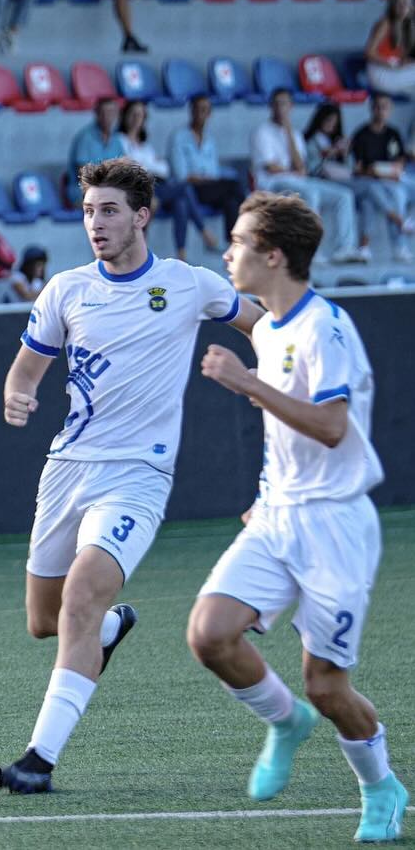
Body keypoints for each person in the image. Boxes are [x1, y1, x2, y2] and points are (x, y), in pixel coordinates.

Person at [0, 157, 263, 793]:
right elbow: (26, 370)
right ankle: (109, 631)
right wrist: (15, 396)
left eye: (110, 209)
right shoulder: (64, 289)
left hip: (139, 474)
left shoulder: (188, 284)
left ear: (142, 216)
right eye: (89, 211)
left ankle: (38, 760)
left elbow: (265, 324)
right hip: (67, 470)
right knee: (47, 620)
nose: (96, 222)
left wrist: (270, 383)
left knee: (85, 594)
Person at [191, 191, 407, 843]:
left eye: (238, 243)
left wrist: (248, 382)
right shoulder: (268, 327)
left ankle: (381, 787)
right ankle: (284, 721)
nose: (228, 253)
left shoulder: (325, 326)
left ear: (273, 256)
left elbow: (333, 427)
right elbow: (284, 437)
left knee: (328, 685)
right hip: (279, 515)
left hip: (336, 527)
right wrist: (267, 489)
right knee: (210, 634)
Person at [250, 89, 360, 264]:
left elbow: (301, 166)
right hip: (272, 184)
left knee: (344, 196)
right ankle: (311, 250)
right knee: (310, 194)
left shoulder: (295, 134)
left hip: (298, 181)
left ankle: (345, 249)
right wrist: (294, 171)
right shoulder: (262, 132)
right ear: (271, 106)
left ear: (291, 107)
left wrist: (287, 131)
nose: (280, 108)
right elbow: (272, 168)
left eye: (284, 104)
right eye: (277, 104)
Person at [119, 99, 216, 260]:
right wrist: (150, 165)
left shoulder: (144, 145)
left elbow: (163, 169)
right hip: (139, 188)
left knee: (181, 202)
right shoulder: (120, 140)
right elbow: (132, 168)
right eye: (133, 114)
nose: (137, 119)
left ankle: (181, 253)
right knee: (184, 188)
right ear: (125, 117)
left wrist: (147, 165)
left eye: (141, 115)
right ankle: (204, 231)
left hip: (155, 184)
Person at [169, 96, 248, 253]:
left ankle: (233, 246)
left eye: (204, 110)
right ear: (191, 111)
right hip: (190, 189)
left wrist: (203, 177)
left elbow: (213, 172)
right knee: (234, 185)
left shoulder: (210, 140)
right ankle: (249, 231)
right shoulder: (178, 137)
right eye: (197, 109)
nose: (200, 113)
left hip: (209, 188)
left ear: (209, 114)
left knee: (231, 200)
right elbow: (182, 176)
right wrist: (203, 178)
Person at [348, 92, 414, 263]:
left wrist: (395, 169)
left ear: (390, 109)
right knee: (372, 199)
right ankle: (398, 236)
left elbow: (400, 158)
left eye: (384, 107)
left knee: (401, 190)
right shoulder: (361, 134)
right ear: (371, 108)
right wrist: (376, 172)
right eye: (377, 106)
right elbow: (358, 169)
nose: (380, 111)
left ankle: (393, 246)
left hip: (391, 179)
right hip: (370, 180)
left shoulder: (393, 133)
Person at [66, 97, 127, 206]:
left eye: (111, 112)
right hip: (83, 192)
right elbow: (84, 175)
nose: (107, 117)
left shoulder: (117, 139)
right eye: (103, 113)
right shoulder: (85, 138)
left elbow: (123, 168)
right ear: (96, 114)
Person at [363, 0, 415, 97]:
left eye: (406, 3)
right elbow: (368, 52)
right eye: (398, 3)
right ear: (392, 5)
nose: (402, 6)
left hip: (395, 70)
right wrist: (391, 64)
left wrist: (405, 62)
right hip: (380, 71)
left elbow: (402, 57)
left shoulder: (408, 26)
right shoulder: (385, 23)